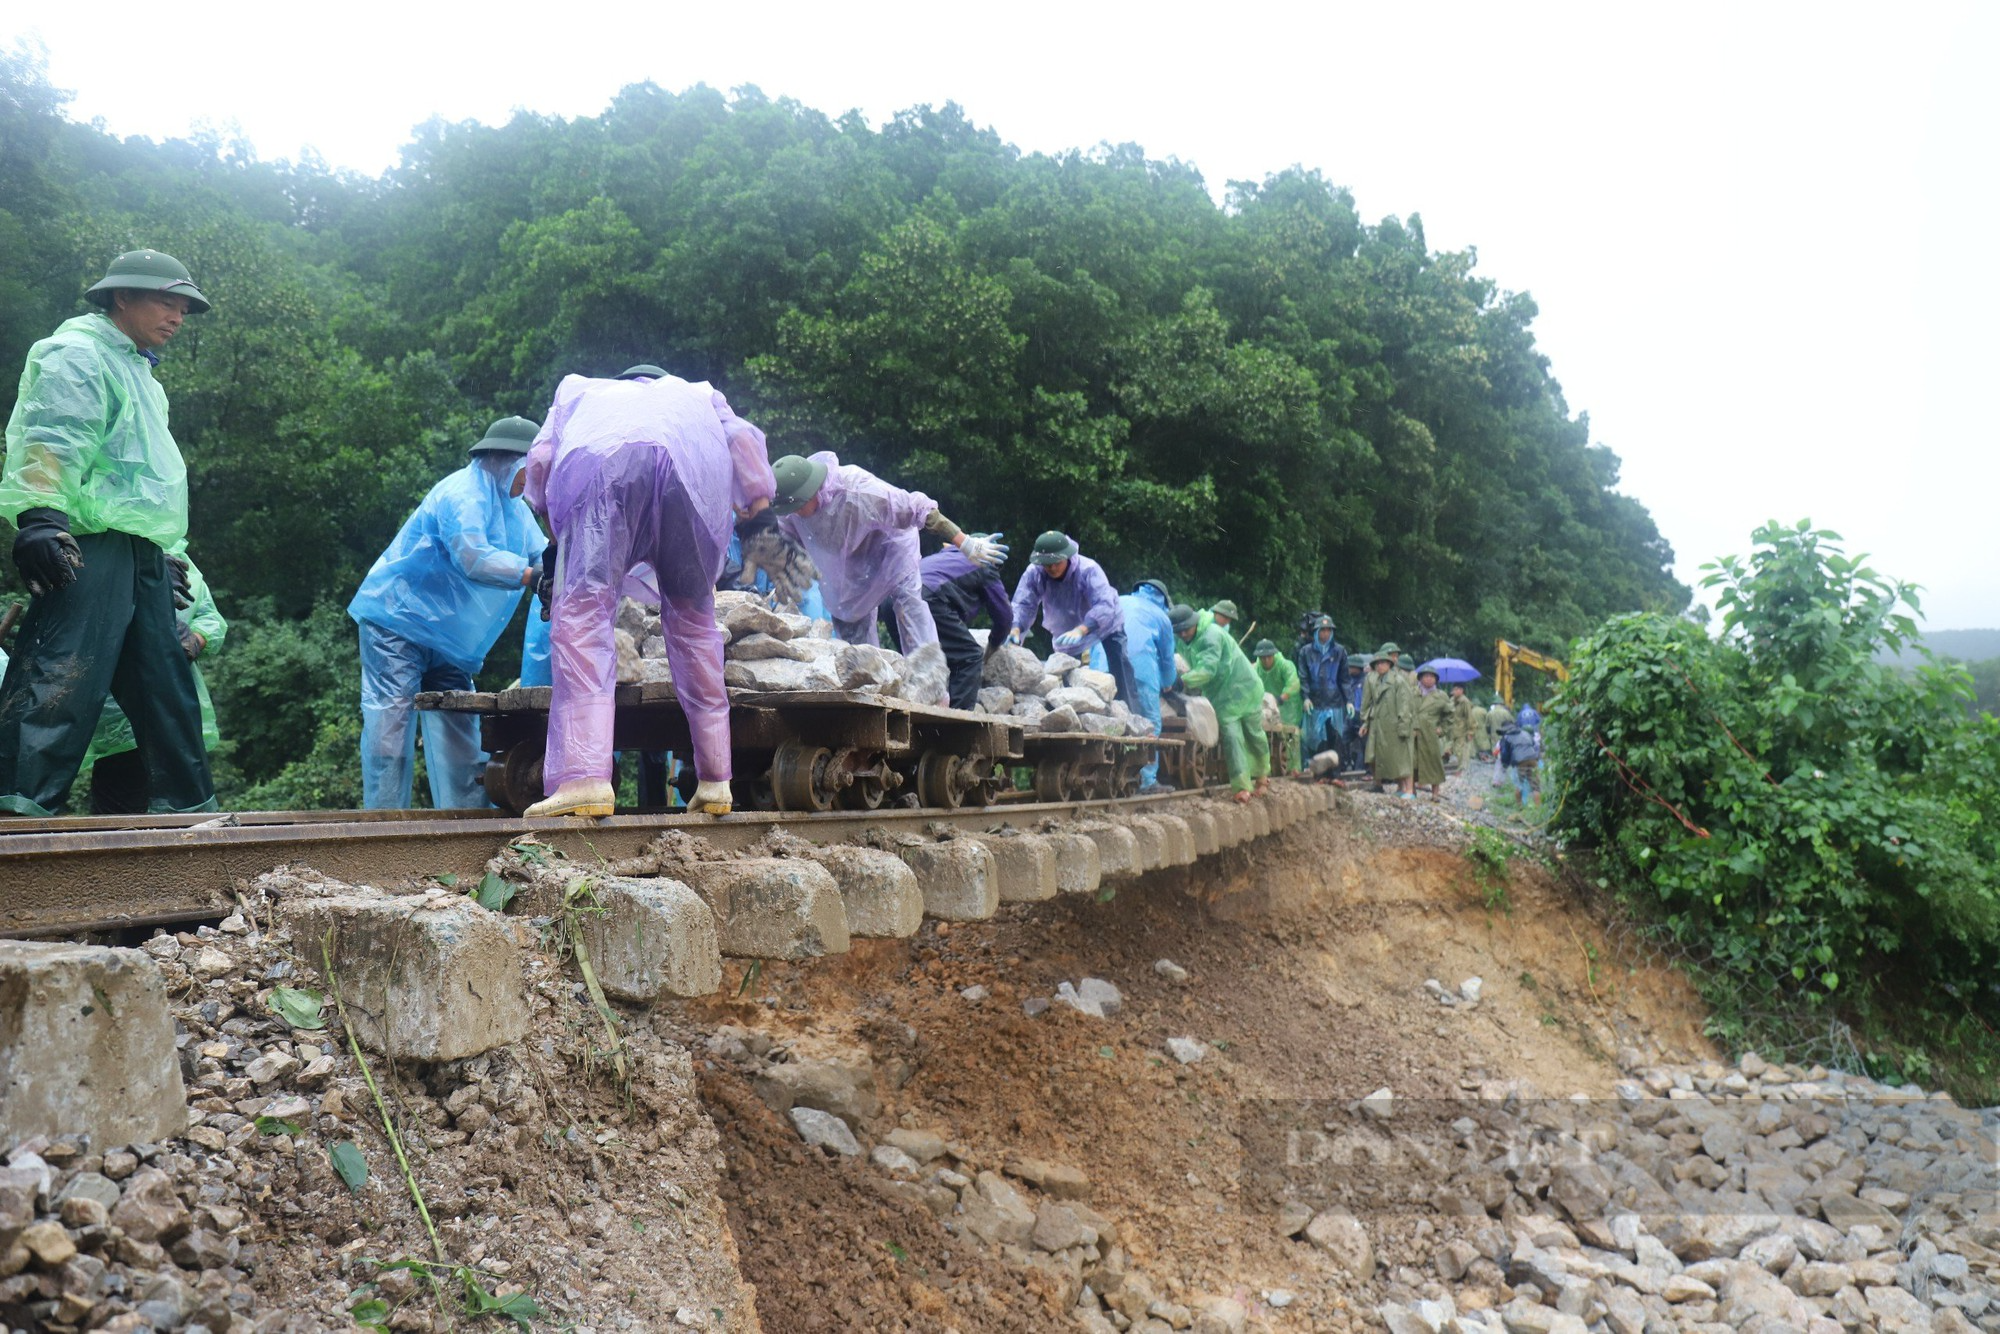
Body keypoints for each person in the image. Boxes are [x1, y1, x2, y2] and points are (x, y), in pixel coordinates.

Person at [0, 249, 218, 817]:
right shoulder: (77, 354)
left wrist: (163, 552)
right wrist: (42, 517)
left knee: (165, 689)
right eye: (165, 302)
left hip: (140, 550)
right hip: (90, 545)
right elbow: (52, 437)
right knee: (58, 681)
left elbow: (146, 477)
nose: (176, 316)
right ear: (122, 297)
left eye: (183, 308)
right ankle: (15, 820)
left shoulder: (139, 371)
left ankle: (187, 824)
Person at [522, 372, 776, 818]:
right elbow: (742, 438)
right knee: (696, 623)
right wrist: (756, 492)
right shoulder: (700, 393)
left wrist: (545, 512)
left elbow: (541, 458)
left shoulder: (578, 389)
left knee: (583, 617)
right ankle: (717, 780)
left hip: (603, 472)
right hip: (692, 482)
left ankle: (585, 778)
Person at [349, 416, 547, 809]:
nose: (534, 481)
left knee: (459, 726)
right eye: (532, 470)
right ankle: (382, 827)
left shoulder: (514, 507)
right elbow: (473, 557)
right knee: (391, 724)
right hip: (397, 622)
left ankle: (464, 824)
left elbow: (542, 552)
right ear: (509, 461)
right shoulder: (462, 494)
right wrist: (531, 576)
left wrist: (562, 570)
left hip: (449, 640)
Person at [768, 453, 1003, 651]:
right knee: (850, 627)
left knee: (910, 610)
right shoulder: (791, 511)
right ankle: (866, 685)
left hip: (890, 550)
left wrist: (964, 542)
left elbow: (917, 508)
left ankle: (929, 687)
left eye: (798, 506)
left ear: (812, 491)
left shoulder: (858, 489)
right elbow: (786, 541)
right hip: (848, 565)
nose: (795, 512)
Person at [80, 545, 226, 814]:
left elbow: (210, 616)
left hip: (175, 711)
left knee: (184, 812)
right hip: (119, 721)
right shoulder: (109, 548)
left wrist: (195, 639)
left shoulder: (181, 561)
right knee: (121, 819)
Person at [1008, 532, 1138, 706]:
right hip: (1066, 629)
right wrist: (1016, 627)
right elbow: (1023, 603)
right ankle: (1075, 711)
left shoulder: (1088, 569)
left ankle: (1130, 712)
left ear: (1067, 557)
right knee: (1068, 674)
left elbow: (1104, 605)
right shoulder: (1035, 573)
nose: (1052, 568)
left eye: (1056, 563)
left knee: (1119, 666)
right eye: (1047, 565)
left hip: (1105, 623)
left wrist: (1082, 629)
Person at [1172, 603, 1267, 803]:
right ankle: (1242, 787)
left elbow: (1208, 669)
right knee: (1232, 738)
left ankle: (1262, 778)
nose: (1183, 635)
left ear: (1194, 624)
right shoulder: (1183, 639)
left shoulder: (1211, 636)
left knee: (1254, 734)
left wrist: (1184, 680)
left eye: (1185, 630)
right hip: (1222, 696)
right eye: (1179, 632)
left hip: (1245, 688)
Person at [920, 544, 1013, 711]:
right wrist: (993, 644)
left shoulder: (939, 558)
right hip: (929, 597)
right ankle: (955, 727)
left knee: (920, 659)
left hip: (893, 601)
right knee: (969, 656)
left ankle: (917, 716)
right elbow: (1004, 616)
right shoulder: (983, 564)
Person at [1120, 579, 1179, 791]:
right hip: (1141, 671)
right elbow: (1166, 659)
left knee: (1113, 722)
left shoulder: (1119, 601)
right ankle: (1146, 782)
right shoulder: (1161, 617)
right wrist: (1168, 683)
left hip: (1105, 670)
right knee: (1149, 723)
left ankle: (1111, 776)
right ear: (1163, 599)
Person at [1360, 644, 1415, 797]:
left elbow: (1405, 705)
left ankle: (1409, 790)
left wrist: (1404, 726)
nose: (1380, 666)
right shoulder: (1376, 680)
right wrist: (1366, 722)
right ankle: (1399, 788)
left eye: (1383, 663)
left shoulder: (1398, 681)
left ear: (1389, 664)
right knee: (1389, 757)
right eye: (1377, 663)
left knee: (1403, 757)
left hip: (1396, 723)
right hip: (1381, 724)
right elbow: (1370, 703)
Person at [1296, 615, 1349, 759]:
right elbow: (1303, 677)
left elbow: (1344, 679)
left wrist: (1349, 700)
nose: (1325, 634)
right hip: (1315, 702)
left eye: (1328, 630)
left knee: (1335, 738)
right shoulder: (1306, 652)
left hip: (1334, 703)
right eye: (1322, 630)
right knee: (1317, 739)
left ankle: (1336, 775)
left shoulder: (1339, 651)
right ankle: (1320, 775)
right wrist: (1306, 697)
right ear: (1316, 632)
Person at [1253, 639, 1303, 774]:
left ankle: (1294, 768)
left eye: (1269, 657)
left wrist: (1282, 698)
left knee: (1290, 734)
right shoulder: (1255, 669)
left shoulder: (1285, 665)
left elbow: (1293, 683)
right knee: (1264, 734)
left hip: (1287, 705)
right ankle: (1264, 769)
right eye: (1262, 658)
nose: (1266, 660)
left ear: (1274, 655)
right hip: (1266, 706)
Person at [1413, 666, 1450, 797]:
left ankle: (1435, 793)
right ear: (1420, 678)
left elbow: (1450, 715)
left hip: (1431, 734)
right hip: (1415, 734)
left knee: (1434, 763)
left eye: (1432, 676)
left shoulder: (1441, 696)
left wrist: (1442, 729)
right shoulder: (1413, 693)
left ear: (1436, 680)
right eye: (1426, 676)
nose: (1428, 679)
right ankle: (1411, 790)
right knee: (1413, 762)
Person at [1498, 717, 1543, 806]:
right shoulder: (1525, 733)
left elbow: (1505, 753)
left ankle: (1520, 807)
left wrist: (1505, 764)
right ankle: (1538, 808)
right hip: (1533, 758)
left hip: (1520, 760)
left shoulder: (1507, 737)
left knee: (1519, 784)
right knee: (1535, 786)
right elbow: (1533, 744)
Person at [1448, 683, 1477, 769]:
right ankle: (1453, 765)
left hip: (1461, 729)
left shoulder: (1465, 701)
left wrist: (1471, 731)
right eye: (1454, 689)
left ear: (1461, 690)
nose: (1454, 691)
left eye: (1457, 689)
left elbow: (1469, 717)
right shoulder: (1451, 700)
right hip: (1452, 729)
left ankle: (1461, 767)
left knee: (1459, 750)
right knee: (1450, 748)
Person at [1487, 697, 1514, 786]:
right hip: (1505, 736)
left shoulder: (1490, 713)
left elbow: (1487, 726)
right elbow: (1512, 723)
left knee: (1496, 753)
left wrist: (1489, 733)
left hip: (1494, 736)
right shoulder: (1506, 713)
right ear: (1502, 704)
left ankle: (1496, 770)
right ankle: (1502, 775)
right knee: (1504, 754)